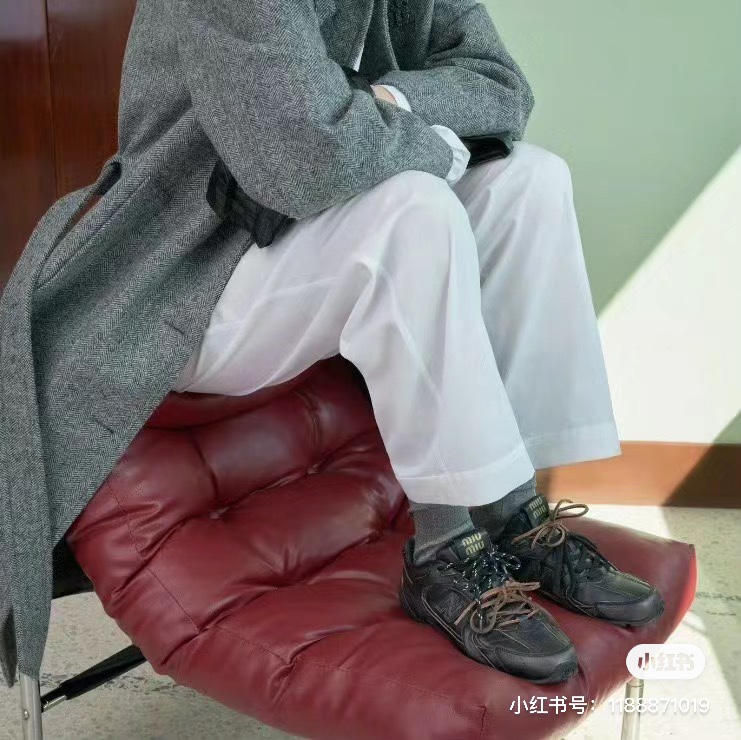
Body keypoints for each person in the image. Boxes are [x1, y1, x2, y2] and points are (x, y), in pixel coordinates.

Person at [0, 0, 662, 690]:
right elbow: (303, 160)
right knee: (415, 206)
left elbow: (502, 88)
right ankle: (446, 550)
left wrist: (379, 101)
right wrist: (430, 142)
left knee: (528, 177)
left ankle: (514, 514)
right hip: (185, 268)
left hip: (306, 234)